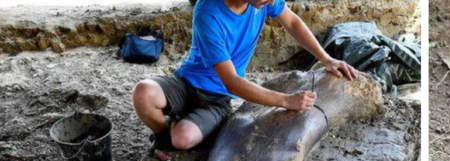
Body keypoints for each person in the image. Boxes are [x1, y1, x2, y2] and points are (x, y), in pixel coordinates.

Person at [132, 0, 358, 152]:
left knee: (183, 139)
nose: (270, 1)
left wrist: (326, 58)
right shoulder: (208, 12)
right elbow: (232, 82)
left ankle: (183, 125)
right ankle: (163, 134)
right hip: (186, 82)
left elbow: (293, 22)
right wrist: (286, 100)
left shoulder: (262, 2)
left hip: (216, 99)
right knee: (143, 92)